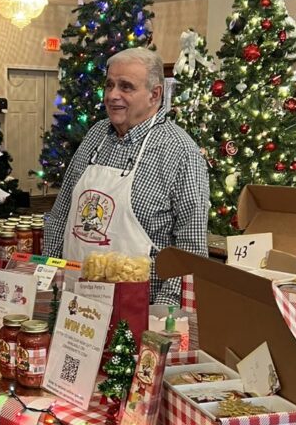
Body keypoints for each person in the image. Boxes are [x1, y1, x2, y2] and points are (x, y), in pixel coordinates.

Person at [44, 48, 209, 303]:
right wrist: (49, 277)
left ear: (155, 94)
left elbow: (191, 249)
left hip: (137, 311)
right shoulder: (96, 135)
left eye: (126, 87)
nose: (112, 96)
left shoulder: (180, 152)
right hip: (73, 304)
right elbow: (60, 215)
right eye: (109, 85)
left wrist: (164, 313)